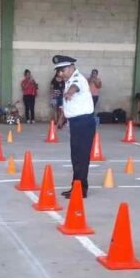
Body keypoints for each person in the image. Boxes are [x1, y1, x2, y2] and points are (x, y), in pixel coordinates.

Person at [54, 55, 95, 199]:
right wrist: (61, 119)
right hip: (76, 123)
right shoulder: (69, 80)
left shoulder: (78, 79)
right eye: (58, 71)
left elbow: (74, 88)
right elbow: (68, 104)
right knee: (76, 157)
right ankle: (75, 187)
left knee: (81, 157)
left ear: (71, 68)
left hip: (84, 123)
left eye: (62, 70)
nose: (60, 74)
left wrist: (70, 92)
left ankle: (81, 190)